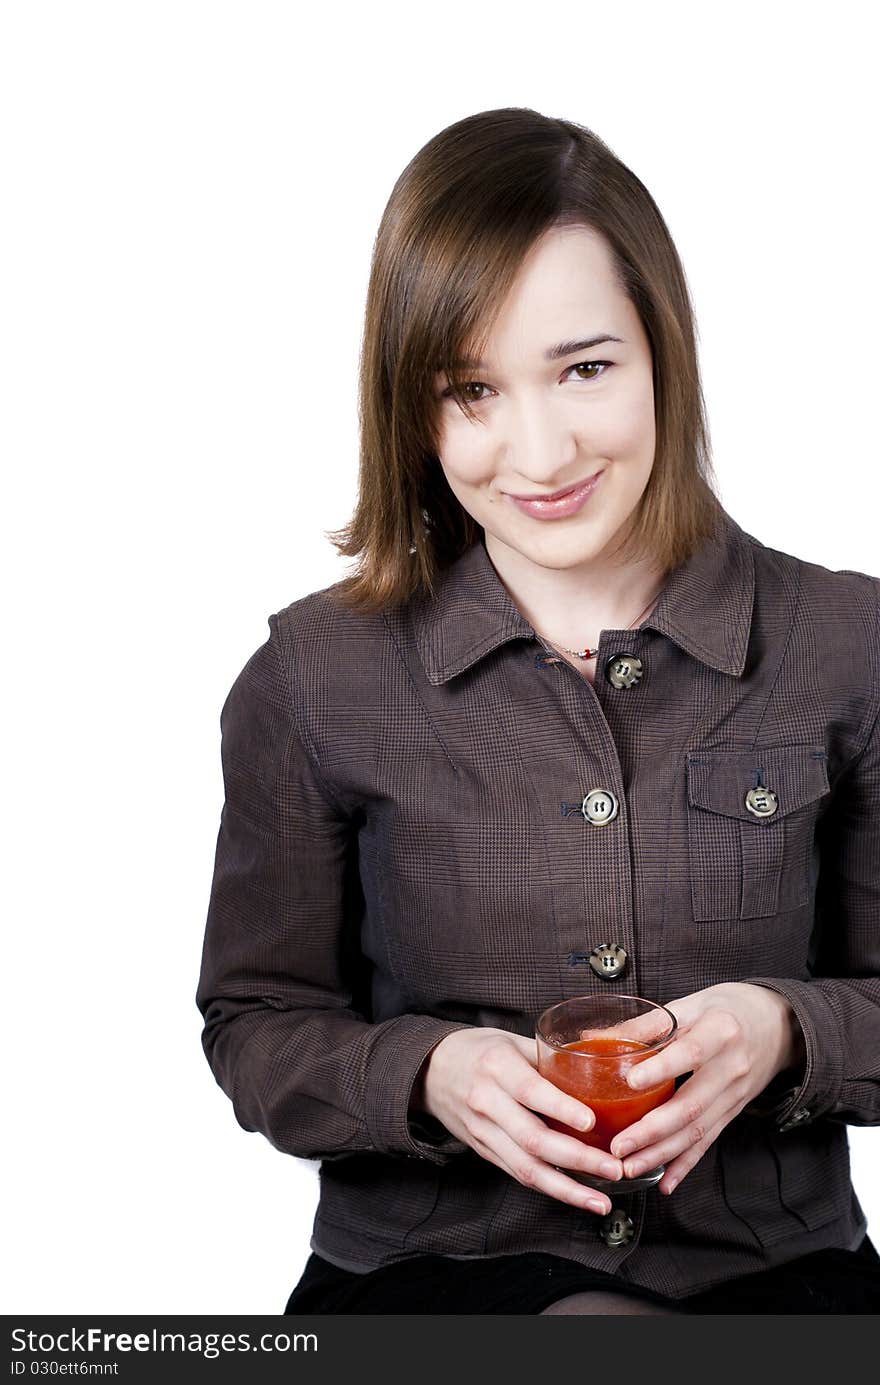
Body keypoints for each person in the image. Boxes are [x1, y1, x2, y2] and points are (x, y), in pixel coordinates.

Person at [195, 107, 880, 1314]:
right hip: (420, 1273)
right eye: (471, 389)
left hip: (767, 1275)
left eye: (584, 368)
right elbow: (254, 1023)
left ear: (662, 348)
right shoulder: (314, 673)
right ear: (413, 408)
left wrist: (787, 1027)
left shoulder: (845, 644)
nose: (540, 448)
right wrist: (426, 1073)